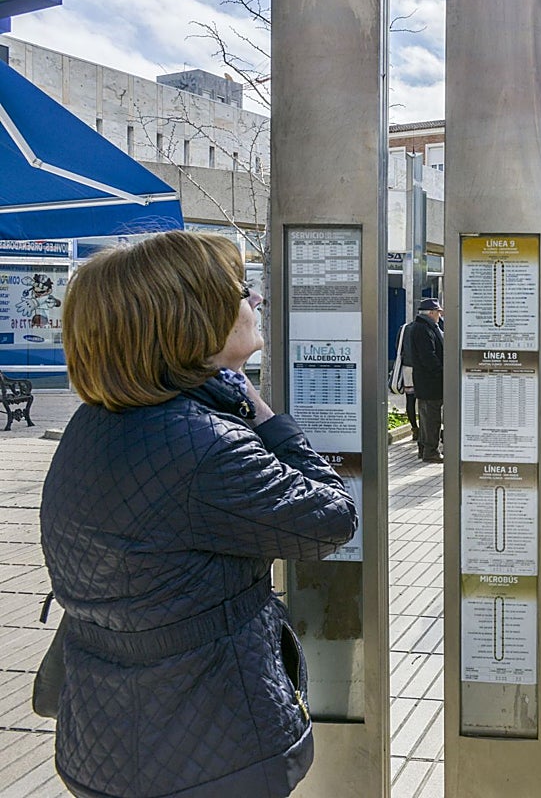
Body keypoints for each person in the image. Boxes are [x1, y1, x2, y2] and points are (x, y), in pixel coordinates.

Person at [40, 230, 358, 798]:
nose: (254, 299)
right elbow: (332, 517)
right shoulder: (204, 445)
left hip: (103, 737)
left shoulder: (94, 423)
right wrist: (260, 412)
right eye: (240, 290)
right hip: (210, 756)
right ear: (192, 320)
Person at [411, 297, 445, 462]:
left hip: (427, 381)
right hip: (430, 381)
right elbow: (428, 356)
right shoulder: (423, 329)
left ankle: (424, 448)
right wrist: (442, 371)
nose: (440, 315)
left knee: (426, 416)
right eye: (438, 312)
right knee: (431, 417)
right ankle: (430, 451)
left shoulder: (424, 326)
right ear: (431, 313)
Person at [389, 318, 420, 443]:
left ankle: (414, 429)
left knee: (410, 399)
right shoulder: (428, 328)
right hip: (421, 368)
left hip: (407, 368)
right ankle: (423, 430)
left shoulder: (404, 328)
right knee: (425, 401)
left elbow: (398, 347)